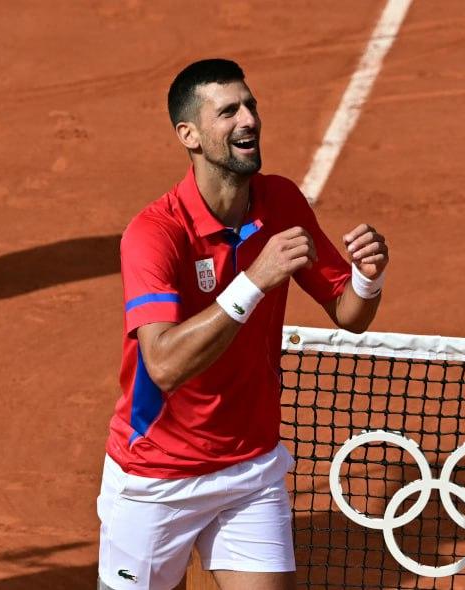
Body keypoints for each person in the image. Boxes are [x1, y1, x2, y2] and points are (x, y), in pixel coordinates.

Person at [97, 58, 389, 590]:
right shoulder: (155, 234)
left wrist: (367, 279)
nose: (248, 119)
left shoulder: (281, 201)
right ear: (189, 134)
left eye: (250, 105)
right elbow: (161, 364)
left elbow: (349, 313)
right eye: (227, 111)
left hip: (248, 468)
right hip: (155, 474)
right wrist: (255, 281)